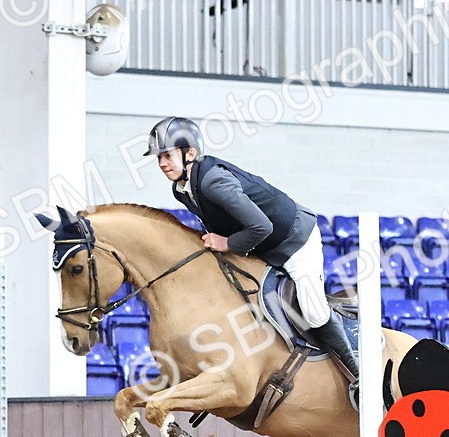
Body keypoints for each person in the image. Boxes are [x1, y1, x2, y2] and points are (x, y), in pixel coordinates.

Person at [143, 116, 359, 389]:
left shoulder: (213, 181)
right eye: (158, 157)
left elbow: (261, 226)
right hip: (261, 245)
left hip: (294, 241)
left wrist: (226, 243)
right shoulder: (181, 188)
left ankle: (359, 374)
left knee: (314, 313)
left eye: (167, 155)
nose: (162, 163)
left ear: (190, 153)